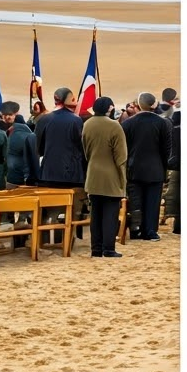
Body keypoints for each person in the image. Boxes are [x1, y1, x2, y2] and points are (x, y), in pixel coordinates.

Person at [82, 97, 127, 258]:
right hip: (111, 176)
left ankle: (96, 248)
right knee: (110, 214)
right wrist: (123, 181)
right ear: (110, 108)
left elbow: (85, 149)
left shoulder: (87, 124)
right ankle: (108, 248)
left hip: (93, 174)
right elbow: (121, 156)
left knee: (96, 214)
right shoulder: (114, 126)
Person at [122, 92, 171, 239]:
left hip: (134, 168)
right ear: (154, 105)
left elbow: (124, 148)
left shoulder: (128, 123)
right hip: (155, 168)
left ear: (138, 105)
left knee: (136, 200)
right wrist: (163, 166)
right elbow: (166, 149)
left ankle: (136, 229)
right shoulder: (163, 123)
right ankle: (150, 231)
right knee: (153, 202)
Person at [35, 88, 86, 187]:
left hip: (48, 173)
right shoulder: (76, 120)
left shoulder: (44, 119)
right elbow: (80, 146)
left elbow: (38, 148)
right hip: (71, 174)